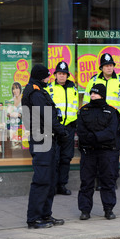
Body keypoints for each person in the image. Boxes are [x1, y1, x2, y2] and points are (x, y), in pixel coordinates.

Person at [21, 64, 69, 229]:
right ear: (41, 77)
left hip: (47, 139)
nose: (50, 78)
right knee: (41, 180)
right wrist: (62, 131)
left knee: (49, 179)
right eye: (48, 76)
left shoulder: (39, 90)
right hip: (42, 139)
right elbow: (47, 116)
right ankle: (34, 219)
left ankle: (45, 215)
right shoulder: (35, 92)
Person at [83, 53, 120, 188]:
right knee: (98, 151)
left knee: (113, 152)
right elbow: (86, 102)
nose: (109, 68)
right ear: (101, 67)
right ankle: (99, 180)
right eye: (106, 66)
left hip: (114, 121)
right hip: (96, 120)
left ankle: (112, 179)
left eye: (111, 65)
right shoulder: (93, 81)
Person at [77, 83, 120, 220]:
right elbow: (82, 131)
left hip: (106, 152)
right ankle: (85, 210)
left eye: (95, 93)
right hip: (88, 151)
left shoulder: (111, 111)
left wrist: (95, 137)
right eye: (91, 93)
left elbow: (111, 132)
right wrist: (94, 139)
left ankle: (108, 209)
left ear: (102, 95)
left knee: (107, 181)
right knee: (86, 182)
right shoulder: (84, 110)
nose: (93, 95)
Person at [45, 61, 78, 196]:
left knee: (66, 157)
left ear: (67, 75)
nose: (62, 76)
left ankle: (62, 185)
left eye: (64, 74)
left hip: (69, 128)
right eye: (59, 74)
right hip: (54, 129)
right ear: (55, 75)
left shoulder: (73, 89)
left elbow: (74, 107)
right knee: (54, 158)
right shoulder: (49, 88)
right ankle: (52, 186)